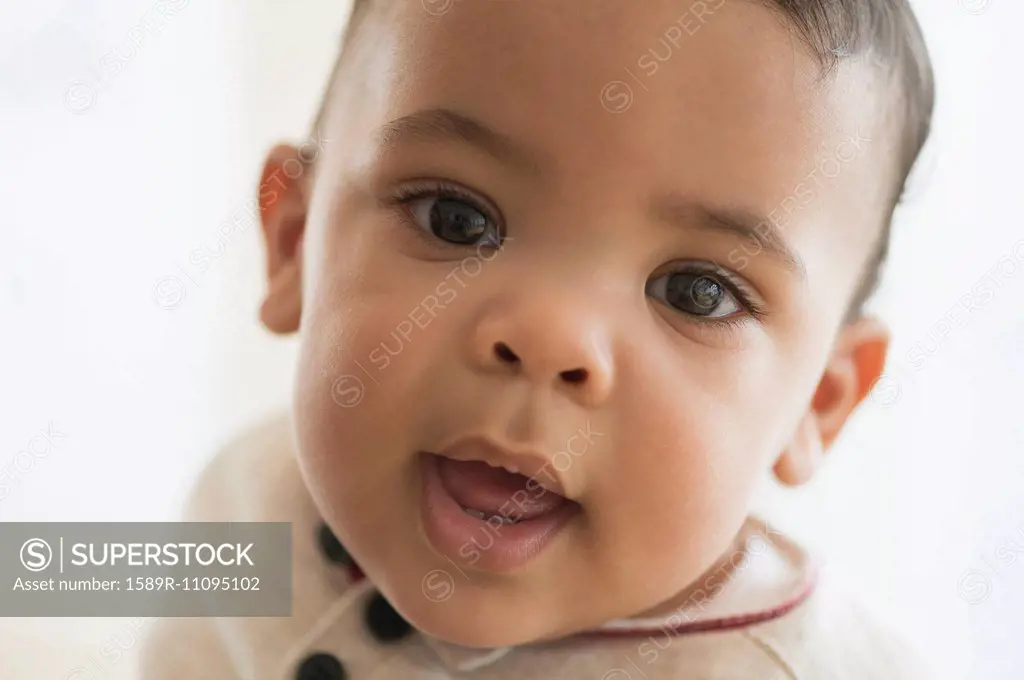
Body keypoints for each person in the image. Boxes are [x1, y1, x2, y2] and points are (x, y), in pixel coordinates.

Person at [140, 0, 938, 677]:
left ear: (818, 404)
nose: (552, 338)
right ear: (293, 242)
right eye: (456, 219)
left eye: (697, 294)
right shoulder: (244, 503)